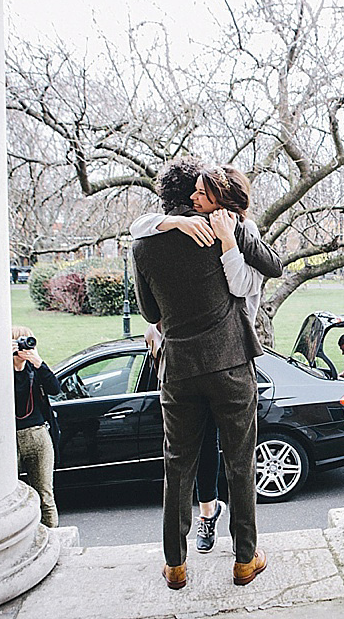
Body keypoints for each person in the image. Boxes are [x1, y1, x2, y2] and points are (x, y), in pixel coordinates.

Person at [133, 157, 281, 590]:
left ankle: (175, 565)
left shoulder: (144, 244)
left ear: (164, 199)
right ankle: (244, 559)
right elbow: (271, 264)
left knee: (177, 465)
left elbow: (149, 313)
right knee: (240, 462)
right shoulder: (223, 232)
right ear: (197, 195)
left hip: (178, 368)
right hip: (232, 365)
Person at [12, 325, 62, 528]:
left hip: (38, 434)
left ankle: (52, 536)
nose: (25, 346)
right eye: (20, 341)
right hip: (9, 437)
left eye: (29, 341)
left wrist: (39, 363)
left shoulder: (35, 368)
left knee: (45, 495)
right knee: (10, 497)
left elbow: (55, 389)